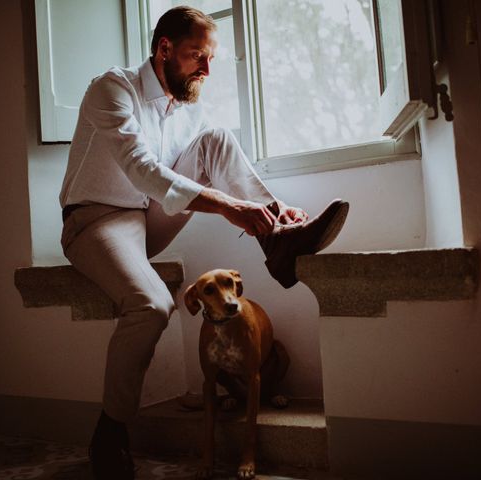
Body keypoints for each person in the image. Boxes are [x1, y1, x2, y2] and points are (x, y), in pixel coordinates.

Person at [58, 6, 349, 479]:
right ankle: (110, 430)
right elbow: (144, 171)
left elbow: (185, 177)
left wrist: (266, 207)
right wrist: (228, 207)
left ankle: (280, 234)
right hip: (94, 220)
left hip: (145, 218)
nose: (207, 69)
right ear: (164, 48)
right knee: (151, 306)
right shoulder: (111, 88)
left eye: (210, 58)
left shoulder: (185, 110)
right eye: (198, 55)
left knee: (215, 137)